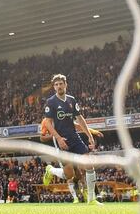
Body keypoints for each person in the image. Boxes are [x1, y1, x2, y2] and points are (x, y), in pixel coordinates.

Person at [40, 74, 100, 204]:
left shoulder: (72, 100)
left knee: (89, 166)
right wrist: (58, 138)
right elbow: (48, 123)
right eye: (56, 84)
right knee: (69, 175)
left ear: (65, 85)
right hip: (62, 140)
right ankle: (51, 170)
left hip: (75, 138)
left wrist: (89, 136)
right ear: (54, 87)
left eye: (61, 83)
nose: (59, 86)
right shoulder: (51, 102)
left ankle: (92, 199)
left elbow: (79, 119)